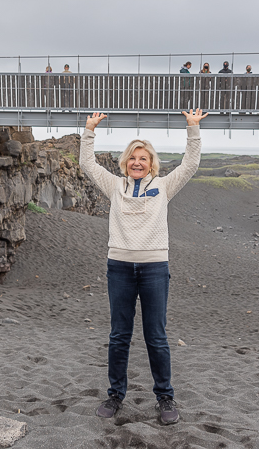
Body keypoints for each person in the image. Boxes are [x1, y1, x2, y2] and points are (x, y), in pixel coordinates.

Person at [80, 108, 208, 426]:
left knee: (156, 336)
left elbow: (190, 165)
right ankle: (115, 396)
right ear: (126, 162)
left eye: (144, 158)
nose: (138, 163)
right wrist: (89, 130)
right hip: (120, 268)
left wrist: (192, 128)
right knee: (119, 335)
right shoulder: (115, 187)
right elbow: (87, 165)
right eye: (133, 158)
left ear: (151, 163)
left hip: (153, 269)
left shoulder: (163, 187)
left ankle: (165, 398)